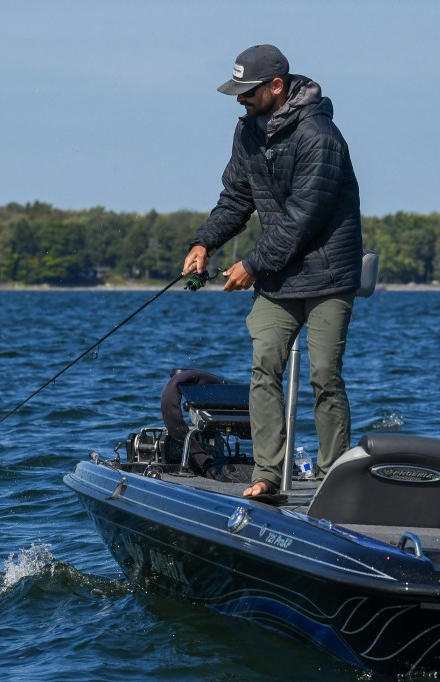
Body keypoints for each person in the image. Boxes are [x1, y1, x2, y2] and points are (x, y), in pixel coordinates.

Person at [182, 44, 363, 499]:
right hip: (279, 276)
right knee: (265, 367)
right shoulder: (246, 133)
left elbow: (304, 217)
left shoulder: (320, 135)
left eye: (247, 91)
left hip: (328, 275)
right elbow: (235, 199)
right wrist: (203, 242)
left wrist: (252, 264)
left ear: (276, 86)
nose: (240, 99)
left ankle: (332, 478)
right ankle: (266, 475)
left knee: (325, 375)